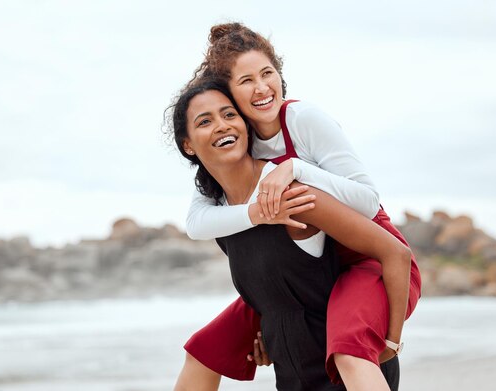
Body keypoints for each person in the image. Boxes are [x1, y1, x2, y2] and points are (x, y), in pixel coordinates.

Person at [174, 23, 422, 390]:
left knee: (350, 352)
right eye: (245, 81)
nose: (260, 88)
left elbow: (370, 205)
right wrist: (273, 324)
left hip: (369, 255)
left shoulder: (301, 123)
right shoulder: (238, 155)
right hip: (305, 278)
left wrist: (391, 340)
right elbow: (197, 222)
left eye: (267, 74)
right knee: (205, 348)